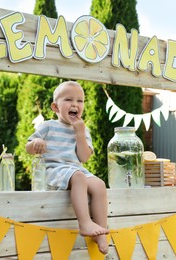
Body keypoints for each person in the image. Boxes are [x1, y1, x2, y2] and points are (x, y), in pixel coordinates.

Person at [26, 81, 109, 254]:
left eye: (80, 101)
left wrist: (79, 133)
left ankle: (100, 232)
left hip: (75, 169)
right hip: (54, 169)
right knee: (78, 177)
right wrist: (36, 142)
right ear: (55, 107)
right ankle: (84, 222)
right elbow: (28, 148)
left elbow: (84, 157)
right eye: (69, 100)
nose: (75, 104)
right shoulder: (48, 126)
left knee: (99, 185)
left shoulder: (83, 130)